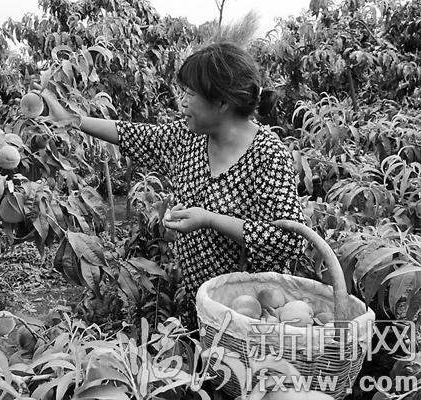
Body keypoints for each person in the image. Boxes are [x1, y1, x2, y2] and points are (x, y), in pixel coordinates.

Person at [39, 41, 305, 331]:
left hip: (252, 318)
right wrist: (71, 120)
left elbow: (290, 240)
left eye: (190, 93)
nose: (182, 102)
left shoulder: (267, 154)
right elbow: (134, 134)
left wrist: (209, 220)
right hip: (200, 304)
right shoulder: (190, 137)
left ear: (222, 102)